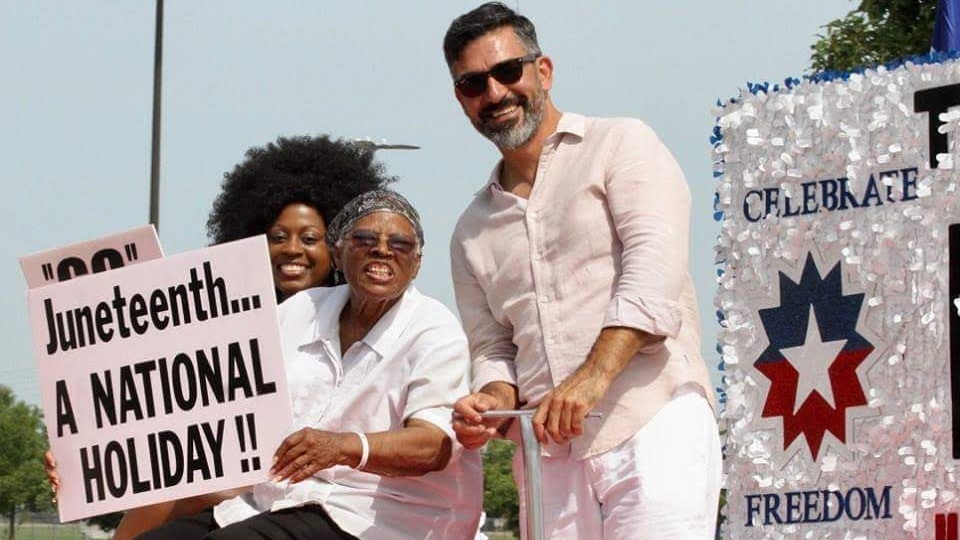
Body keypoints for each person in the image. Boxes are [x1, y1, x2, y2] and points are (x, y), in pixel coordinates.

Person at [443, 3, 721, 538]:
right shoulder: (470, 229)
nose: (495, 93)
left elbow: (654, 270)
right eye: (475, 83)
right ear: (462, 99)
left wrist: (591, 378)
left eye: (507, 72)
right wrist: (491, 404)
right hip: (548, 458)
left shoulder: (622, 144)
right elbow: (493, 349)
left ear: (542, 71)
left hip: (651, 421)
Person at [44, 134, 393, 539]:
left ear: (338, 247)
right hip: (224, 483)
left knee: (191, 494)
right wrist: (84, 459)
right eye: (277, 237)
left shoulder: (359, 322)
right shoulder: (227, 322)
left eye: (309, 238)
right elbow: (156, 411)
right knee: (174, 494)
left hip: (316, 494)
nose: (291, 249)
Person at [134, 189, 482, 540]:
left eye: (401, 243)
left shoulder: (435, 330)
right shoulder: (300, 310)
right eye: (364, 238)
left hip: (377, 518)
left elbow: (433, 445)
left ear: (417, 263)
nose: (382, 249)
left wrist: (343, 446)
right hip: (276, 501)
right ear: (338, 252)